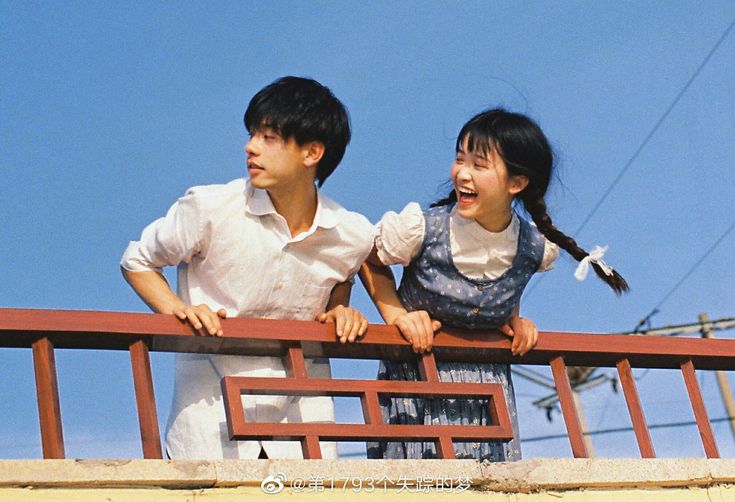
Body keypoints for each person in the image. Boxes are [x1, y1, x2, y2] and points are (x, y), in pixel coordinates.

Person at [120, 76, 375, 460]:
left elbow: (338, 287)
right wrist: (178, 311)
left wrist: (341, 311)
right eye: (253, 133)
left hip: (303, 431)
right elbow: (137, 260)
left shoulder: (351, 233)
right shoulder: (210, 208)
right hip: (209, 425)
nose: (250, 147)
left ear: (312, 153)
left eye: (269, 138)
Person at [361, 108, 628, 461]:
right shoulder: (423, 228)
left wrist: (512, 319)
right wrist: (397, 315)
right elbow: (368, 256)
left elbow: (504, 285)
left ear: (516, 183)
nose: (462, 173)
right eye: (460, 159)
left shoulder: (533, 248)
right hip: (416, 384)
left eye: (479, 164)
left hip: (488, 394)